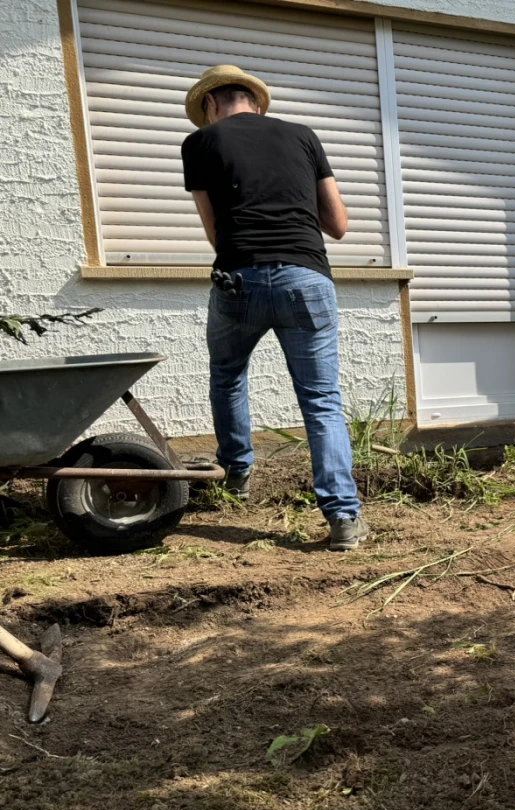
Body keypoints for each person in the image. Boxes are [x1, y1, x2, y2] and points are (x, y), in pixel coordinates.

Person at [181, 65, 368, 551]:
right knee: (321, 400)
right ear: (257, 103)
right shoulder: (302, 136)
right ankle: (343, 519)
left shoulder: (199, 144)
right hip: (305, 279)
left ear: (210, 104)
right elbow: (338, 225)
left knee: (227, 375)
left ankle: (236, 474)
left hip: (238, 280)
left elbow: (216, 233)